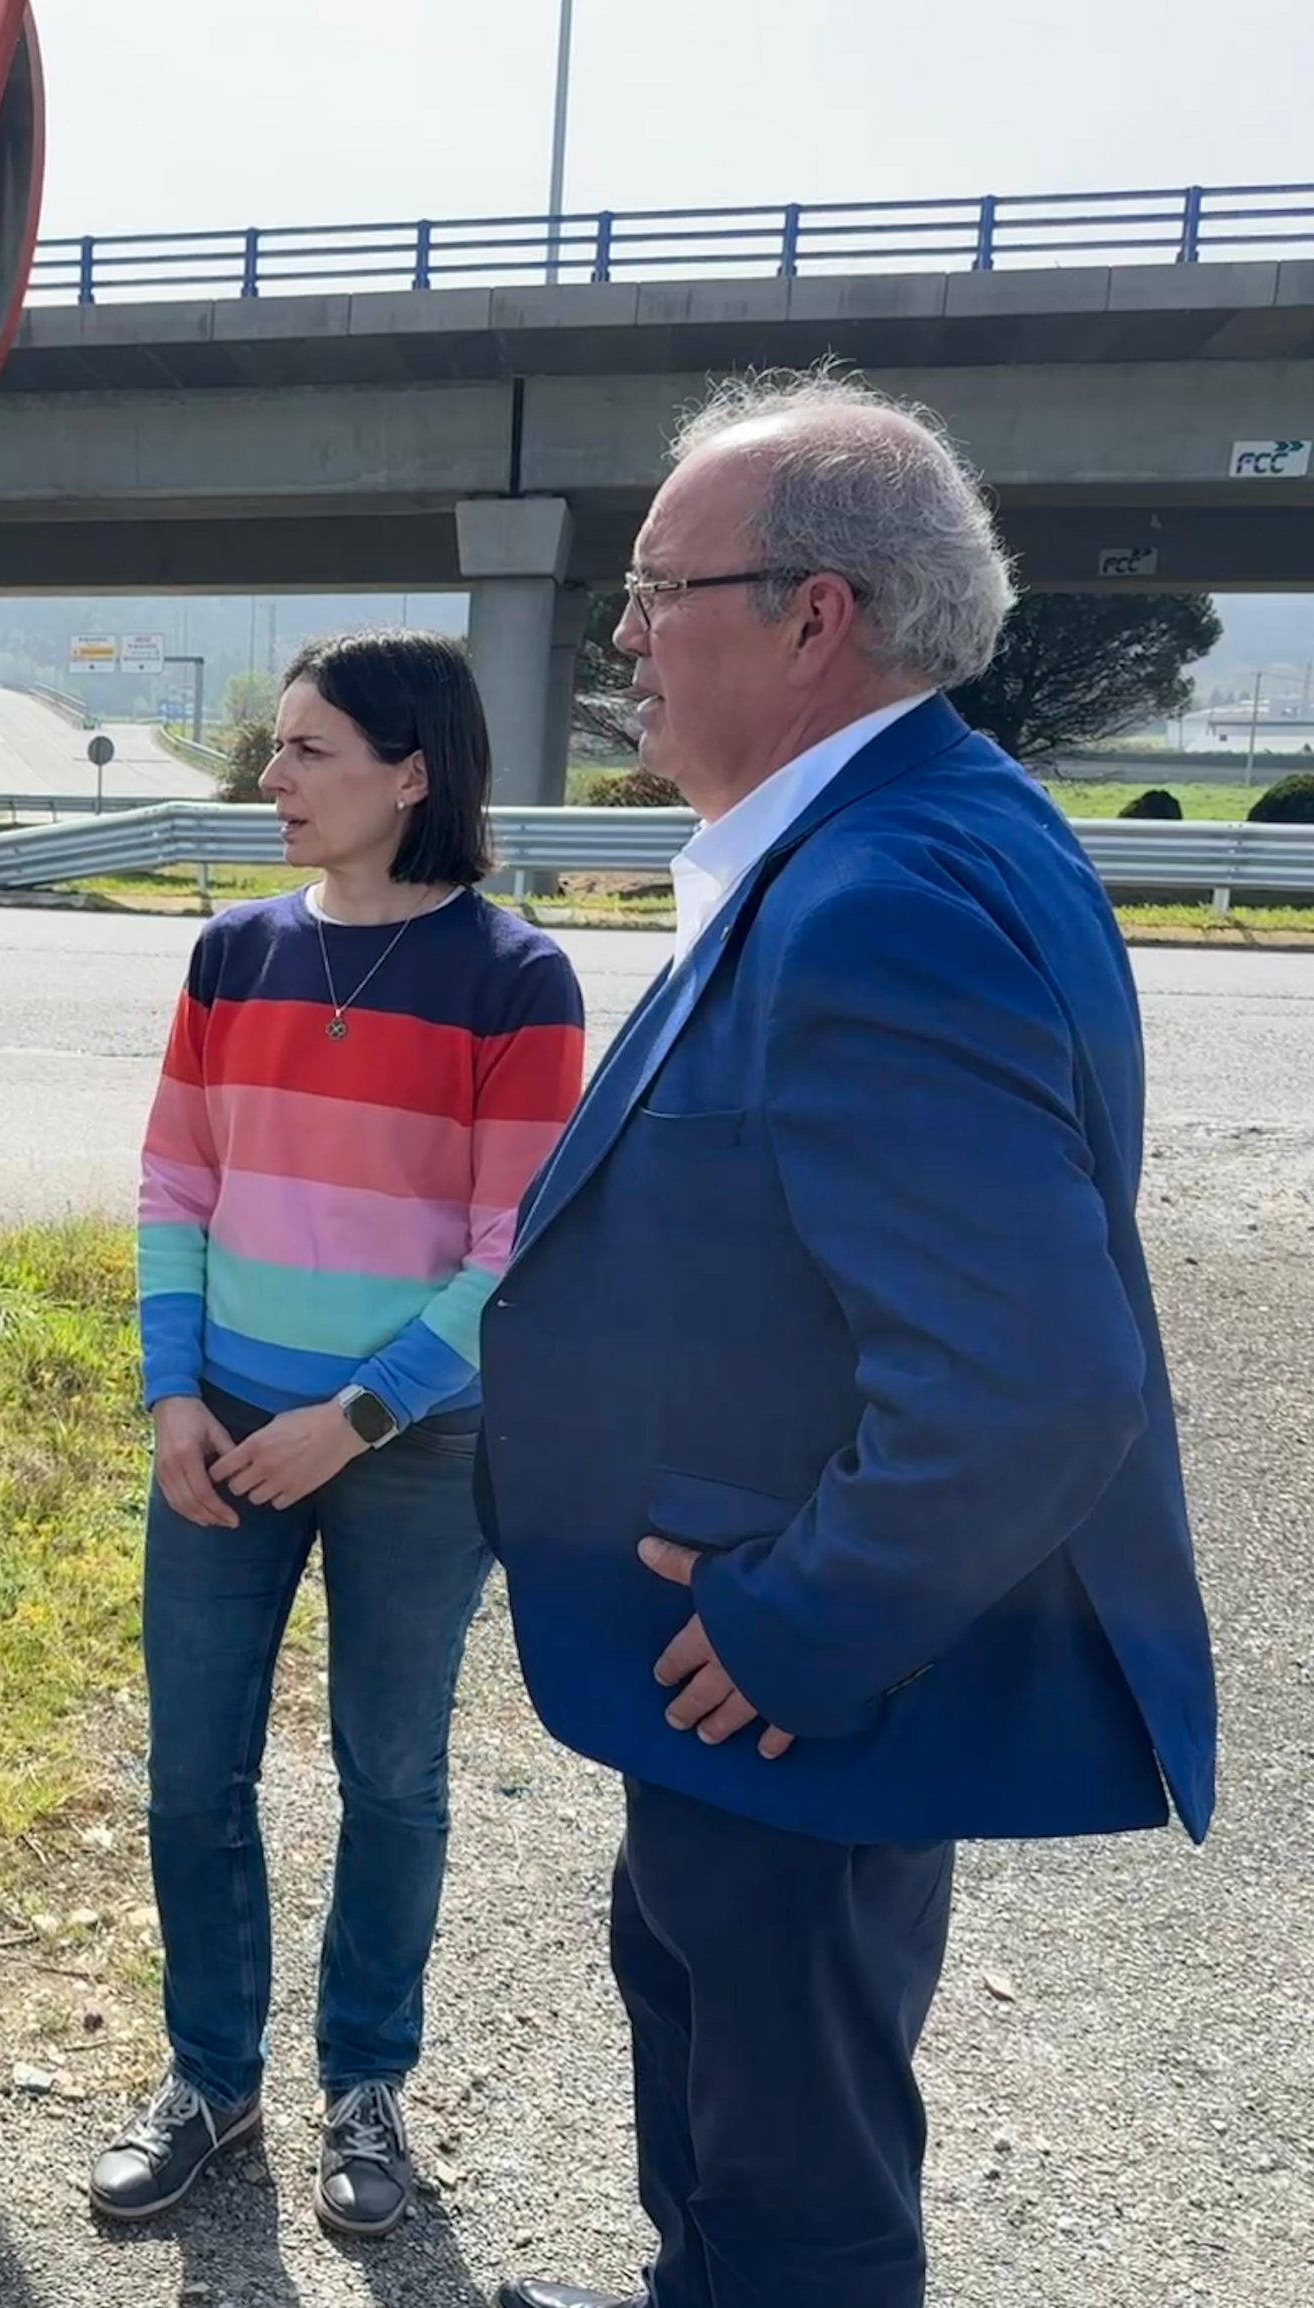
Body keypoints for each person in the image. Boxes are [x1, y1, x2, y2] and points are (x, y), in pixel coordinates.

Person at [485, 373, 1217, 2308]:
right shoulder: (884, 832)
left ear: (814, 616)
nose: (625, 633)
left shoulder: (881, 895)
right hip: (760, 1650)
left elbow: (1038, 1376)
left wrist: (800, 1620)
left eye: (657, 587)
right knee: (713, 2034)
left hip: (795, 1668)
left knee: (797, 2156)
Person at [85, 632, 585, 2230]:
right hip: (218, 1427)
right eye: (277, 748)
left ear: (412, 772)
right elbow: (175, 1186)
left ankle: (366, 2086)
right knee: (190, 1777)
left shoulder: (516, 978)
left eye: (308, 751)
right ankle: (211, 2085)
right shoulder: (231, 954)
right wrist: (174, 1390)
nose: (272, 779)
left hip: (415, 1449)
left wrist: (356, 1418)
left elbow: (518, 1252)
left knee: (394, 1777)